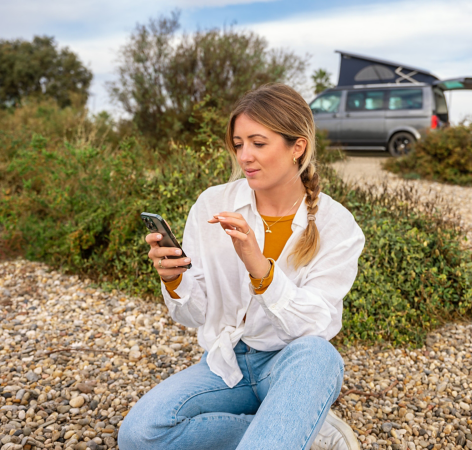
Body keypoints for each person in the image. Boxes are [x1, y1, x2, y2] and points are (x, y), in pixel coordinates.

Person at [118, 83, 366, 450]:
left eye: (258, 143)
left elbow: (317, 324)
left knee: (320, 355)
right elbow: (195, 314)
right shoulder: (212, 204)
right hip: (226, 362)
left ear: (297, 147)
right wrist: (174, 280)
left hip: (294, 364)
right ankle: (299, 428)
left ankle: (288, 422)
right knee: (139, 435)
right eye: (238, 144)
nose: (244, 156)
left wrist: (261, 269)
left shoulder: (337, 225)